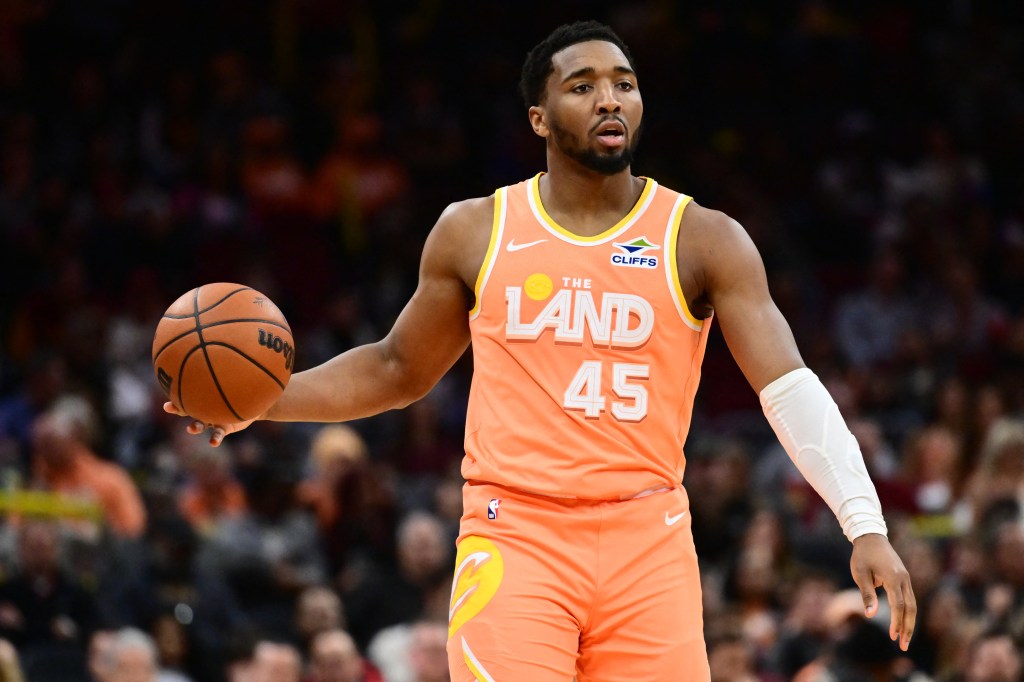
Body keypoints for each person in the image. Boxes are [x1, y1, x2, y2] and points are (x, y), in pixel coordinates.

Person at [167, 20, 916, 680]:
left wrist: (864, 523)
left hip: (648, 539)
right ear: (539, 116)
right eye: (583, 85)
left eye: (624, 83)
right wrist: (267, 398)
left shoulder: (701, 238)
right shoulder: (475, 230)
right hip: (515, 533)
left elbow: (787, 386)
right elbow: (397, 369)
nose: (610, 100)